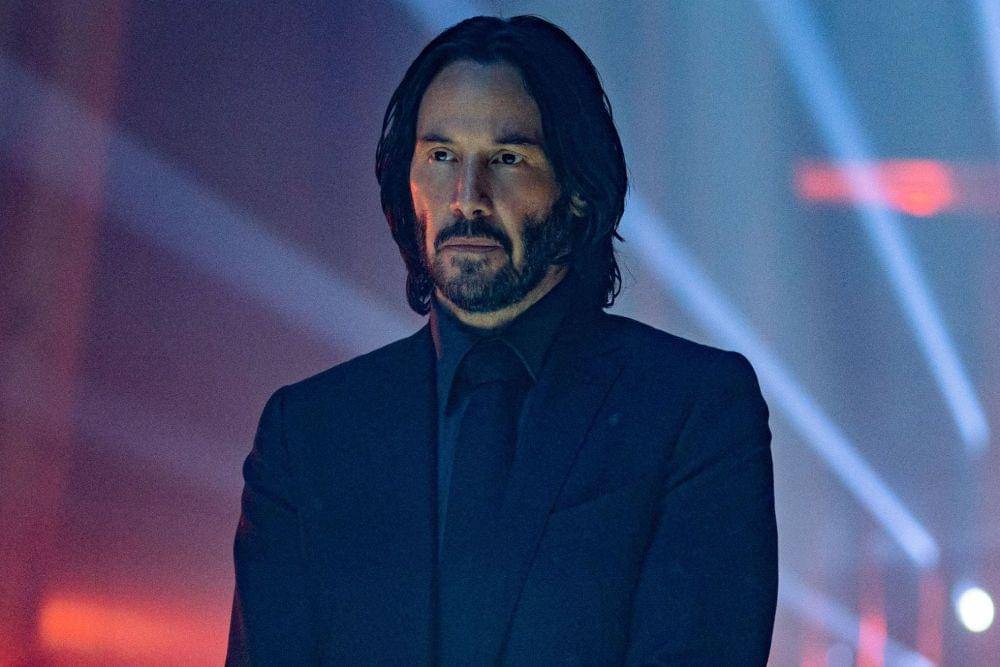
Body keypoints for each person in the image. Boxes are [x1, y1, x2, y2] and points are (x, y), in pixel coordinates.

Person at [226, 14, 777, 666]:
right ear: (406, 181)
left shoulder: (694, 407)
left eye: (508, 159)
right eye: (441, 157)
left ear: (577, 188)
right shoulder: (307, 432)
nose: (467, 197)